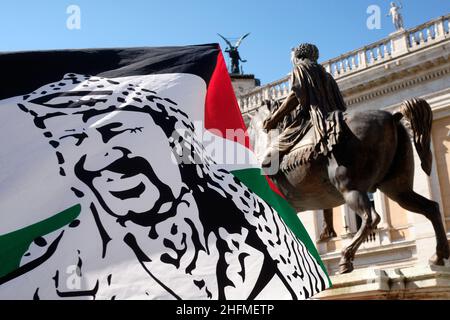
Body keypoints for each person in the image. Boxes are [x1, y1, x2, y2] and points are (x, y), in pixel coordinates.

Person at [0, 74, 327, 299]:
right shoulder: (46, 280)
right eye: (74, 143)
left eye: (116, 131)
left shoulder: (264, 227)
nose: (100, 158)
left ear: (176, 140)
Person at [262, 43, 347, 174]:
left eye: (292, 58)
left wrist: (273, 119)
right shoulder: (327, 75)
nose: (293, 61)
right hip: (333, 116)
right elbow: (341, 104)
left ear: (298, 57)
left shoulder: (300, 68)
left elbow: (295, 96)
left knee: (268, 158)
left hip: (312, 119)